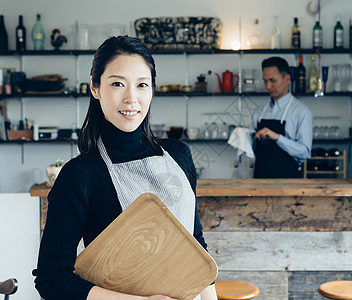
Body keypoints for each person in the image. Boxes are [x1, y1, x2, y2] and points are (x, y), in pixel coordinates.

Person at [33, 36, 217, 300]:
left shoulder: (179, 155)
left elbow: (195, 246)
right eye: (118, 84)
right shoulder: (80, 174)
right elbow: (51, 279)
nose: (132, 98)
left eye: (142, 84)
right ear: (95, 88)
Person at [250, 56, 313, 178]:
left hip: (288, 182)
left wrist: (278, 138)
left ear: (287, 79)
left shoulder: (301, 111)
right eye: (265, 81)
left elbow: (305, 152)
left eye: (272, 81)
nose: (268, 86)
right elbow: (254, 150)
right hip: (260, 181)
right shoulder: (259, 111)